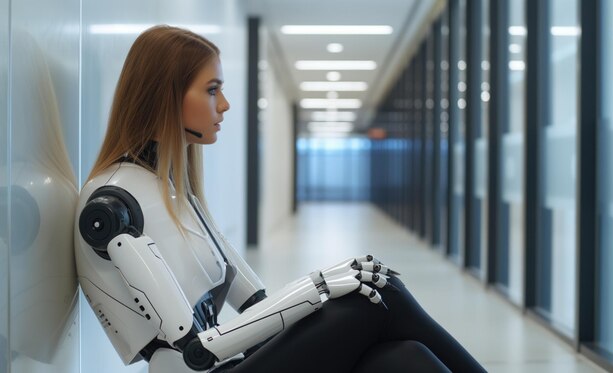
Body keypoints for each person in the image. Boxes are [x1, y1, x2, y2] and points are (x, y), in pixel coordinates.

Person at [74, 25, 486, 373]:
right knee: (380, 293)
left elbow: (256, 303)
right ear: (166, 95)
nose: (225, 104)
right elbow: (195, 352)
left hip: (231, 363)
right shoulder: (112, 204)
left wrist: (319, 291)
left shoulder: (174, 190)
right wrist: (320, 286)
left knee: (406, 359)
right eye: (212, 90)